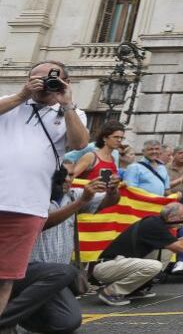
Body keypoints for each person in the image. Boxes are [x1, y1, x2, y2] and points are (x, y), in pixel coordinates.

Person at [0, 61, 89, 315]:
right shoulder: (10, 102)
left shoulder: (73, 113)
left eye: (50, 78)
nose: (42, 83)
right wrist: (22, 95)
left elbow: (79, 143)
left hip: (28, 206)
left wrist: (66, 104)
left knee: (6, 277)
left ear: (65, 82)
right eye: (35, 78)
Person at [93, 203, 183, 306]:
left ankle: (134, 289)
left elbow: (177, 244)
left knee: (167, 251)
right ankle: (111, 292)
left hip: (117, 265)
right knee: (155, 266)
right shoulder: (154, 225)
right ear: (172, 217)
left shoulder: (156, 223)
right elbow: (181, 247)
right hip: (107, 267)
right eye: (182, 217)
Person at [0, 262, 84, 334]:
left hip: (51, 276)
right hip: (18, 267)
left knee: (69, 322)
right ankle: (4, 319)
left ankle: (8, 318)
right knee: (65, 271)